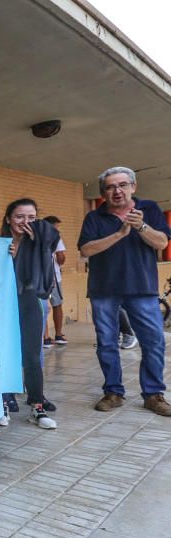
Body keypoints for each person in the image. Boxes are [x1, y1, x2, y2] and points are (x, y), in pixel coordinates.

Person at [78, 166, 171, 416]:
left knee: (153, 341)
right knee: (107, 343)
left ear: (133, 187)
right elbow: (86, 250)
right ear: (103, 193)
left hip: (142, 289)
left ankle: (153, 394)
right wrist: (119, 234)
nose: (117, 190)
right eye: (110, 187)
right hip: (103, 290)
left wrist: (141, 227)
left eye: (122, 185)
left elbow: (162, 242)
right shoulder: (94, 218)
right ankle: (113, 392)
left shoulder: (149, 209)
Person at [0, 199, 59, 430]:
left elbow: (52, 239)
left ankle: (37, 405)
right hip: (3, 304)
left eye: (31, 217)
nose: (25, 222)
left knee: (33, 356)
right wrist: (7, 256)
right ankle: (3, 402)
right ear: (8, 219)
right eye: (19, 217)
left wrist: (35, 237)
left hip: (30, 302)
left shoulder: (40, 239)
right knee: (4, 354)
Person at [41, 216, 67, 347]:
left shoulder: (36, 237)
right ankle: (58, 334)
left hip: (40, 277)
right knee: (56, 305)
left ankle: (45, 338)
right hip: (53, 277)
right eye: (56, 227)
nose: (58, 230)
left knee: (43, 306)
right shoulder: (56, 239)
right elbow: (61, 258)